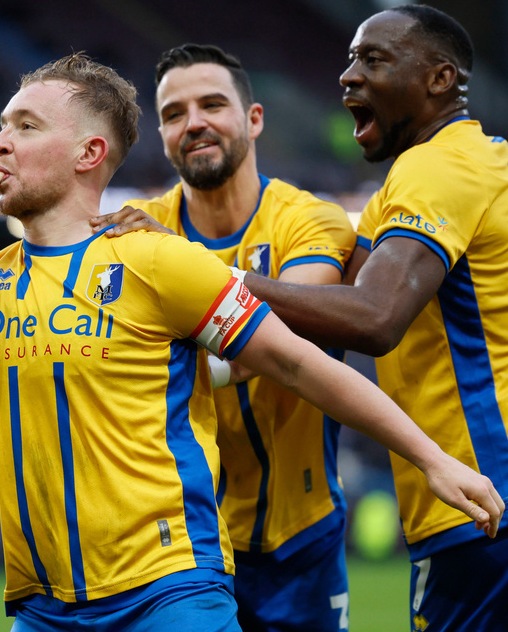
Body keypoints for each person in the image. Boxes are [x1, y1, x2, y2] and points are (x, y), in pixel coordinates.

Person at [0, 52, 502, 632]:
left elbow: (298, 362)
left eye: (25, 126)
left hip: (169, 593)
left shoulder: (157, 261)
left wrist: (432, 458)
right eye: (1, 125)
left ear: (89, 153)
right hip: (43, 607)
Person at [97, 5, 508, 632]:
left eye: (373, 60)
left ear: (440, 79)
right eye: (351, 60)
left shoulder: (428, 171)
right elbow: (340, 302)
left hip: (499, 494)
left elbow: (373, 317)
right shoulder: (486, 161)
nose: (349, 77)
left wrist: (199, 278)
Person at [97, 43, 358, 632]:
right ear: (160, 135)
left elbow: (284, 333)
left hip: (300, 534)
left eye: (212, 104)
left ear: (254, 118)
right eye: (173, 113)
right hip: (178, 550)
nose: (194, 123)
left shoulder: (310, 221)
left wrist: (180, 274)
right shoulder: (132, 233)